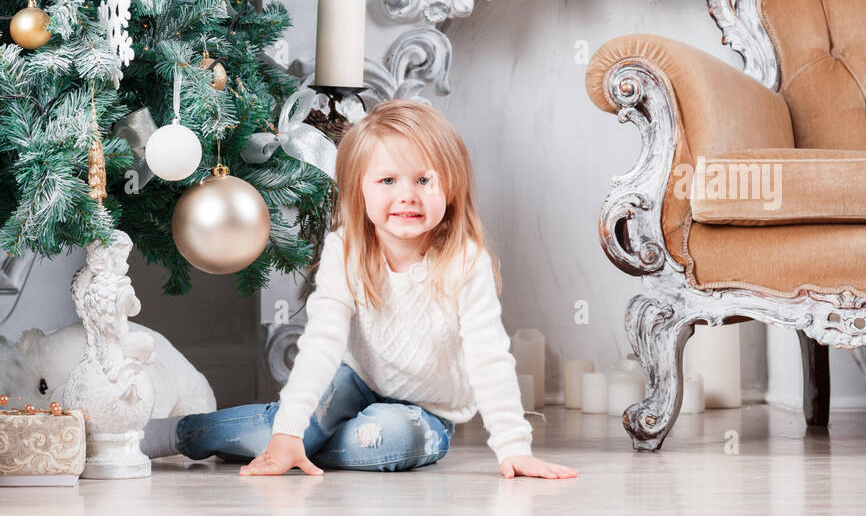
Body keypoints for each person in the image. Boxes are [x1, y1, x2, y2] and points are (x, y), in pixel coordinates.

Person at [142, 99, 577, 481]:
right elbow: (322, 342)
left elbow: (488, 356)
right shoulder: (345, 250)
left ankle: (291, 445)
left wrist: (514, 446)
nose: (407, 195)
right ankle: (181, 433)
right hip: (356, 378)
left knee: (396, 439)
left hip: (427, 409)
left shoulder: (465, 261)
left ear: (452, 187)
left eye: (424, 180)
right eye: (387, 181)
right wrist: (293, 427)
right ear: (359, 192)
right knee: (289, 425)